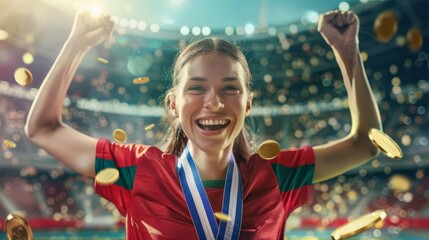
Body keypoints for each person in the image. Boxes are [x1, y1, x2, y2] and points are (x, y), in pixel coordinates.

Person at [25, 9, 381, 240]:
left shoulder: (276, 175)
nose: (214, 102)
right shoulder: (138, 170)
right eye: (196, 88)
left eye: (230, 89)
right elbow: (43, 128)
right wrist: (76, 44)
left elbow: (368, 142)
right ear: (173, 104)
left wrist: (348, 53)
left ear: (248, 103)